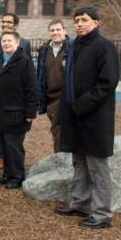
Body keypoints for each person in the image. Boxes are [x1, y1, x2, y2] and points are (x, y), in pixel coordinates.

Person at [56, 7, 119, 229]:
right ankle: (80, 203)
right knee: (79, 162)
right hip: (75, 116)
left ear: (96, 22)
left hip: (94, 117)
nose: (79, 24)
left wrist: (81, 104)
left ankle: (102, 214)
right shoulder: (75, 47)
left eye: (84, 20)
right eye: (76, 21)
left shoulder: (105, 47)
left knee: (97, 167)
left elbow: (107, 83)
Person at [0, 31, 38, 189]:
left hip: (17, 112)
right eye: (3, 41)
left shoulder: (24, 62)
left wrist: (30, 113)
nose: (5, 43)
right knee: (3, 143)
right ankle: (7, 174)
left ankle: (17, 176)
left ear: (17, 43)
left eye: (9, 41)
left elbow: (32, 89)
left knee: (14, 145)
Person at [0, 13, 32, 171]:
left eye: (9, 22)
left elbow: (29, 70)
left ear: (15, 25)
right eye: (3, 22)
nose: (5, 24)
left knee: (14, 131)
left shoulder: (25, 43)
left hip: (16, 95)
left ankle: (13, 160)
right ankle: (0, 157)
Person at [36, 19, 71, 153]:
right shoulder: (44, 50)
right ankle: (62, 157)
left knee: (59, 127)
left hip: (66, 95)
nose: (55, 33)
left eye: (58, 29)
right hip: (50, 97)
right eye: (52, 30)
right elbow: (40, 73)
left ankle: (60, 157)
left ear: (64, 31)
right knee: (56, 127)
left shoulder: (72, 48)